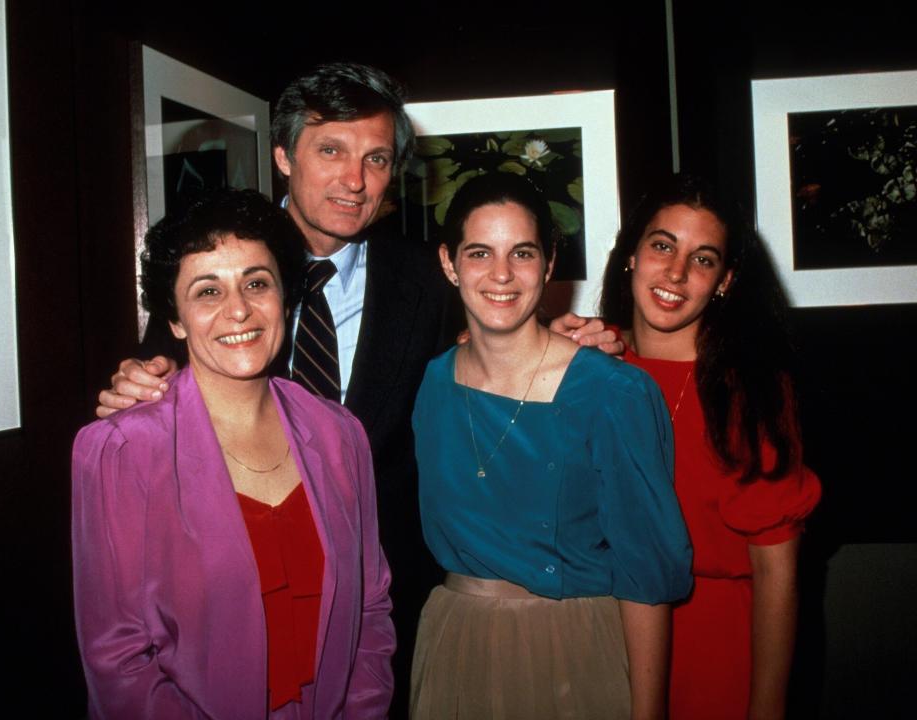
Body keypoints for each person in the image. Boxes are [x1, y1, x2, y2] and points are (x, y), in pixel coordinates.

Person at [94, 62, 619, 717]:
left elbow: (493, 351)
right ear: (284, 156)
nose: (354, 180)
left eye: (375, 158)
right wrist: (138, 382)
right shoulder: (220, 265)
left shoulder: (425, 282)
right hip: (222, 619)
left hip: (373, 615)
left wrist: (571, 339)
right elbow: (160, 388)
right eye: (331, 151)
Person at [72, 189, 394, 719]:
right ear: (175, 319)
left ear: (285, 299)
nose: (239, 309)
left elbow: (371, 609)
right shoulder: (120, 451)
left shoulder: (340, 435)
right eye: (207, 291)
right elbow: (119, 658)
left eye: (256, 283)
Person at [410, 173, 692, 720]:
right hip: (454, 647)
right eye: (479, 253)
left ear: (549, 262)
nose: (501, 275)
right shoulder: (431, 383)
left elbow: (646, 578)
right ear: (449, 263)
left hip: (573, 650)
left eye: (522, 252)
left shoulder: (615, 392)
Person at [600, 173, 822, 720]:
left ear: (724, 280)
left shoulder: (750, 391)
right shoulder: (589, 364)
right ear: (631, 254)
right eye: (662, 245)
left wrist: (766, 708)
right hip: (600, 640)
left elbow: (777, 573)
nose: (675, 272)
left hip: (712, 649)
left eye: (703, 259)